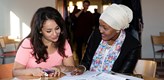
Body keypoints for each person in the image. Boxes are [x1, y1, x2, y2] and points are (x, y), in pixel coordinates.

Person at [71, 3, 141, 75]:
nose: (100, 30)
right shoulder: (96, 34)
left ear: (118, 29)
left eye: (105, 28)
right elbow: (86, 61)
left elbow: (122, 75)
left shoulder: (132, 45)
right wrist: (82, 68)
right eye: (100, 25)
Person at [12, 6, 75, 77]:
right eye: (49, 31)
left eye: (57, 28)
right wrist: (32, 71)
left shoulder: (64, 43)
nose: (55, 34)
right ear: (40, 30)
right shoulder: (28, 44)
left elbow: (72, 67)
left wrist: (60, 68)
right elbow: (15, 72)